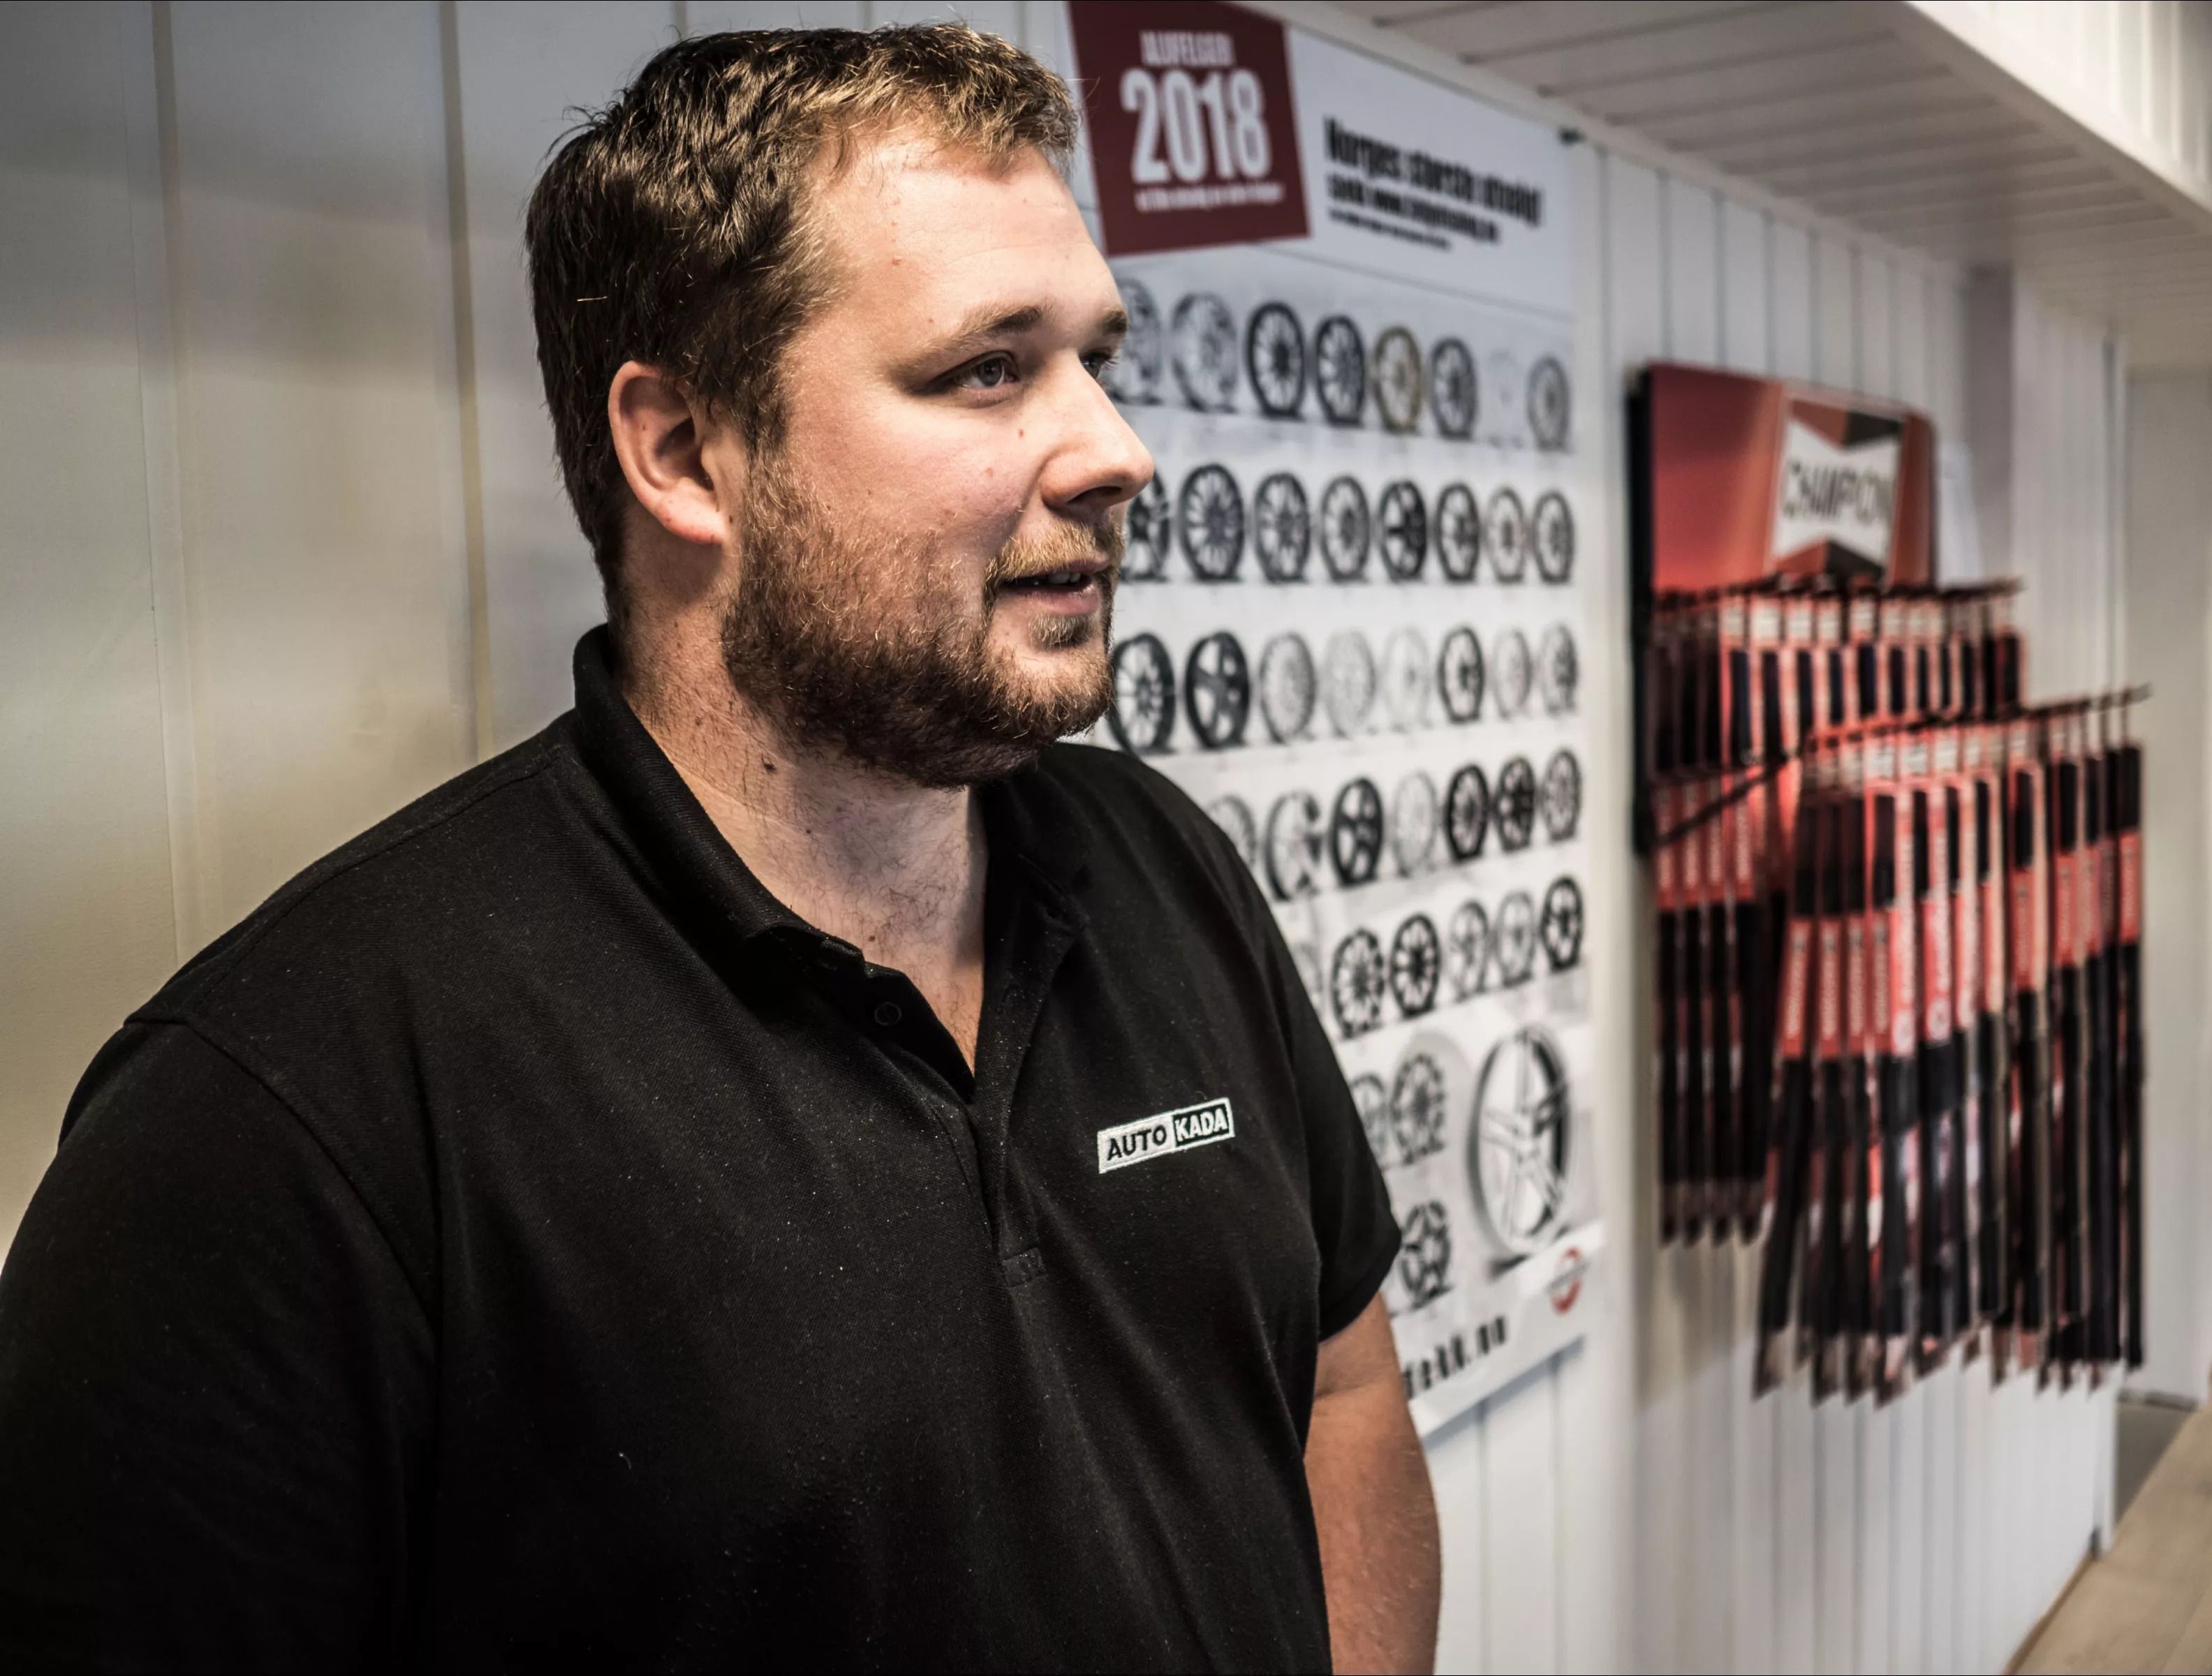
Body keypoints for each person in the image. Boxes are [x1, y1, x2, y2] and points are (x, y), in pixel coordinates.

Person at [0, 22, 1438, 1672]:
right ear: (685, 451)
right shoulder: (290, 1106)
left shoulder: (1162, 861)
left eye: (1094, 356)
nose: (1118, 449)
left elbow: (1340, 1380)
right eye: (989, 368)